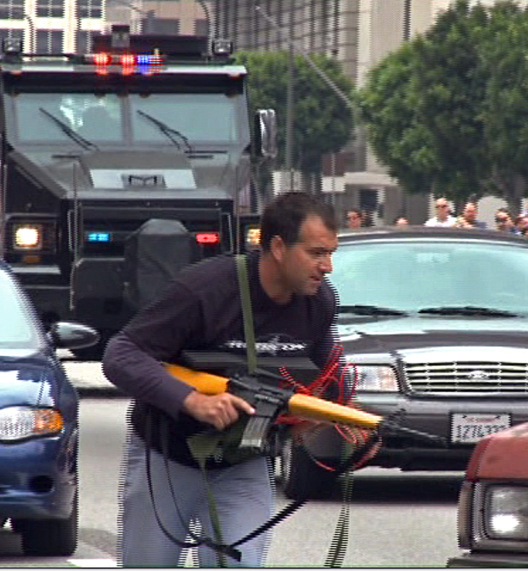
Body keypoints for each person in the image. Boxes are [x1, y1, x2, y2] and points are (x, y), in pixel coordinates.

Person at [102, 192, 347, 568]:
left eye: (330, 253)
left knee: (238, 564)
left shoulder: (320, 302)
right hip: (170, 454)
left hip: (245, 461)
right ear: (279, 247)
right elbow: (121, 354)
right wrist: (193, 400)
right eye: (316, 253)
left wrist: (313, 421)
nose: (327, 266)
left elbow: (320, 379)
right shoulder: (205, 289)